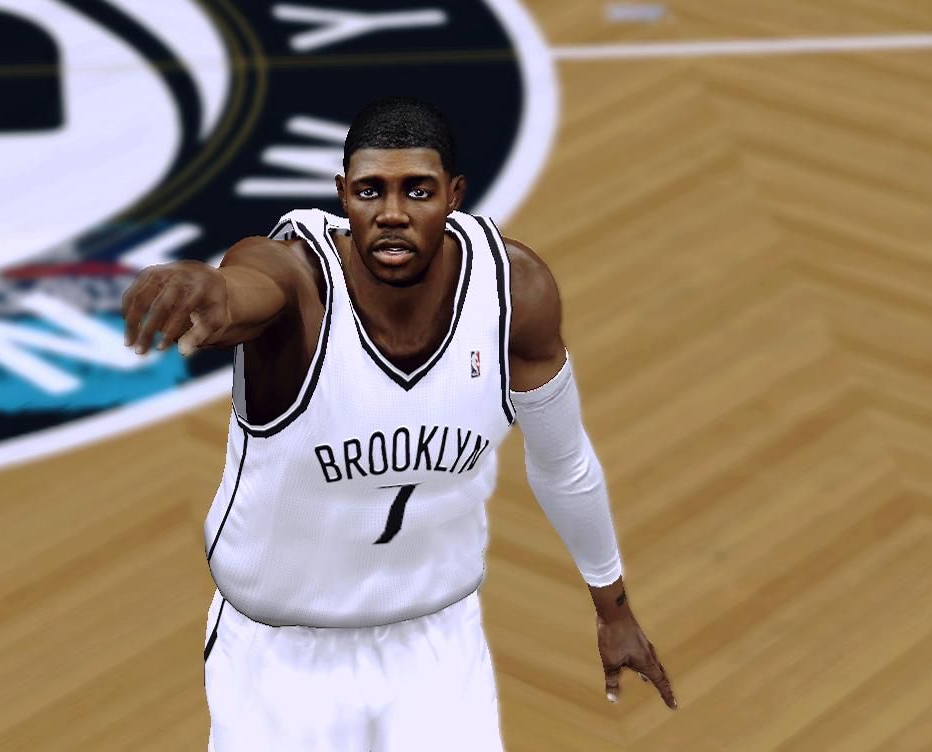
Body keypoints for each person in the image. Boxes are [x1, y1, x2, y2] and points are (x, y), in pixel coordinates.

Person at [123, 96, 676, 751]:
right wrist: (211, 291)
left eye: (417, 191)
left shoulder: (514, 291)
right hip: (282, 658)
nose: (391, 213)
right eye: (369, 191)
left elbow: (563, 462)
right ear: (342, 195)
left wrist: (613, 608)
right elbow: (246, 288)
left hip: (437, 647)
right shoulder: (298, 277)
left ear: (454, 195)